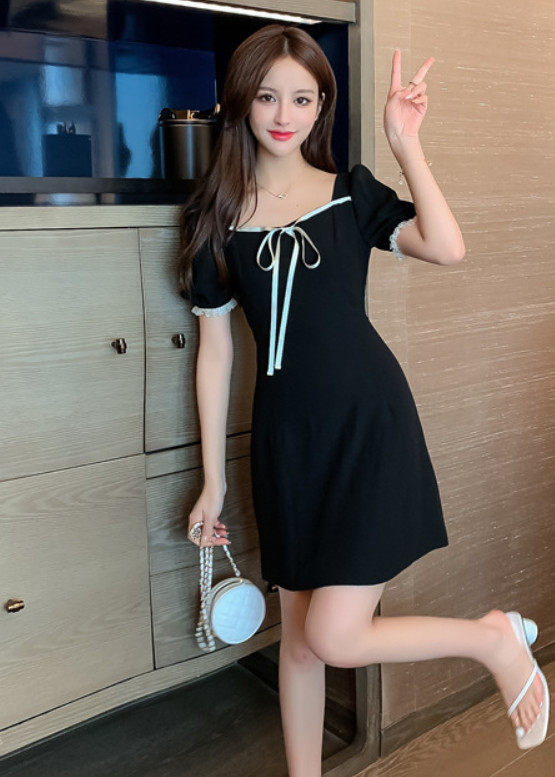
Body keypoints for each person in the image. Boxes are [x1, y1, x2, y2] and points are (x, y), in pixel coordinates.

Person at [177, 24, 549, 776]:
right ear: (240, 101)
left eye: (302, 98)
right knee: (300, 640)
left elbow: (446, 246)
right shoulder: (215, 215)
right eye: (268, 96)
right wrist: (212, 481)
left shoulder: (350, 193)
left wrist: (405, 142)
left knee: (336, 635)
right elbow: (215, 353)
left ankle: (491, 638)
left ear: (322, 106)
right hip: (286, 442)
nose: (284, 114)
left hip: (367, 425)